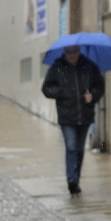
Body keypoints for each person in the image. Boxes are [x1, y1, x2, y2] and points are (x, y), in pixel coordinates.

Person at [41, 45, 104, 195]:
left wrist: (93, 95)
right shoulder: (57, 67)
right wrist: (61, 92)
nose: (72, 55)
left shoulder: (89, 66)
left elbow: (99, 85)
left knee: (79, 149)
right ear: (65, 52)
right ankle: (72, 180)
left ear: (79, 51)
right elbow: (46, 89)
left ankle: (76, 179)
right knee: (71, 147)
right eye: (69, 52)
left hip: (84, 115)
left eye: (75, 51)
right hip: (66, 116)